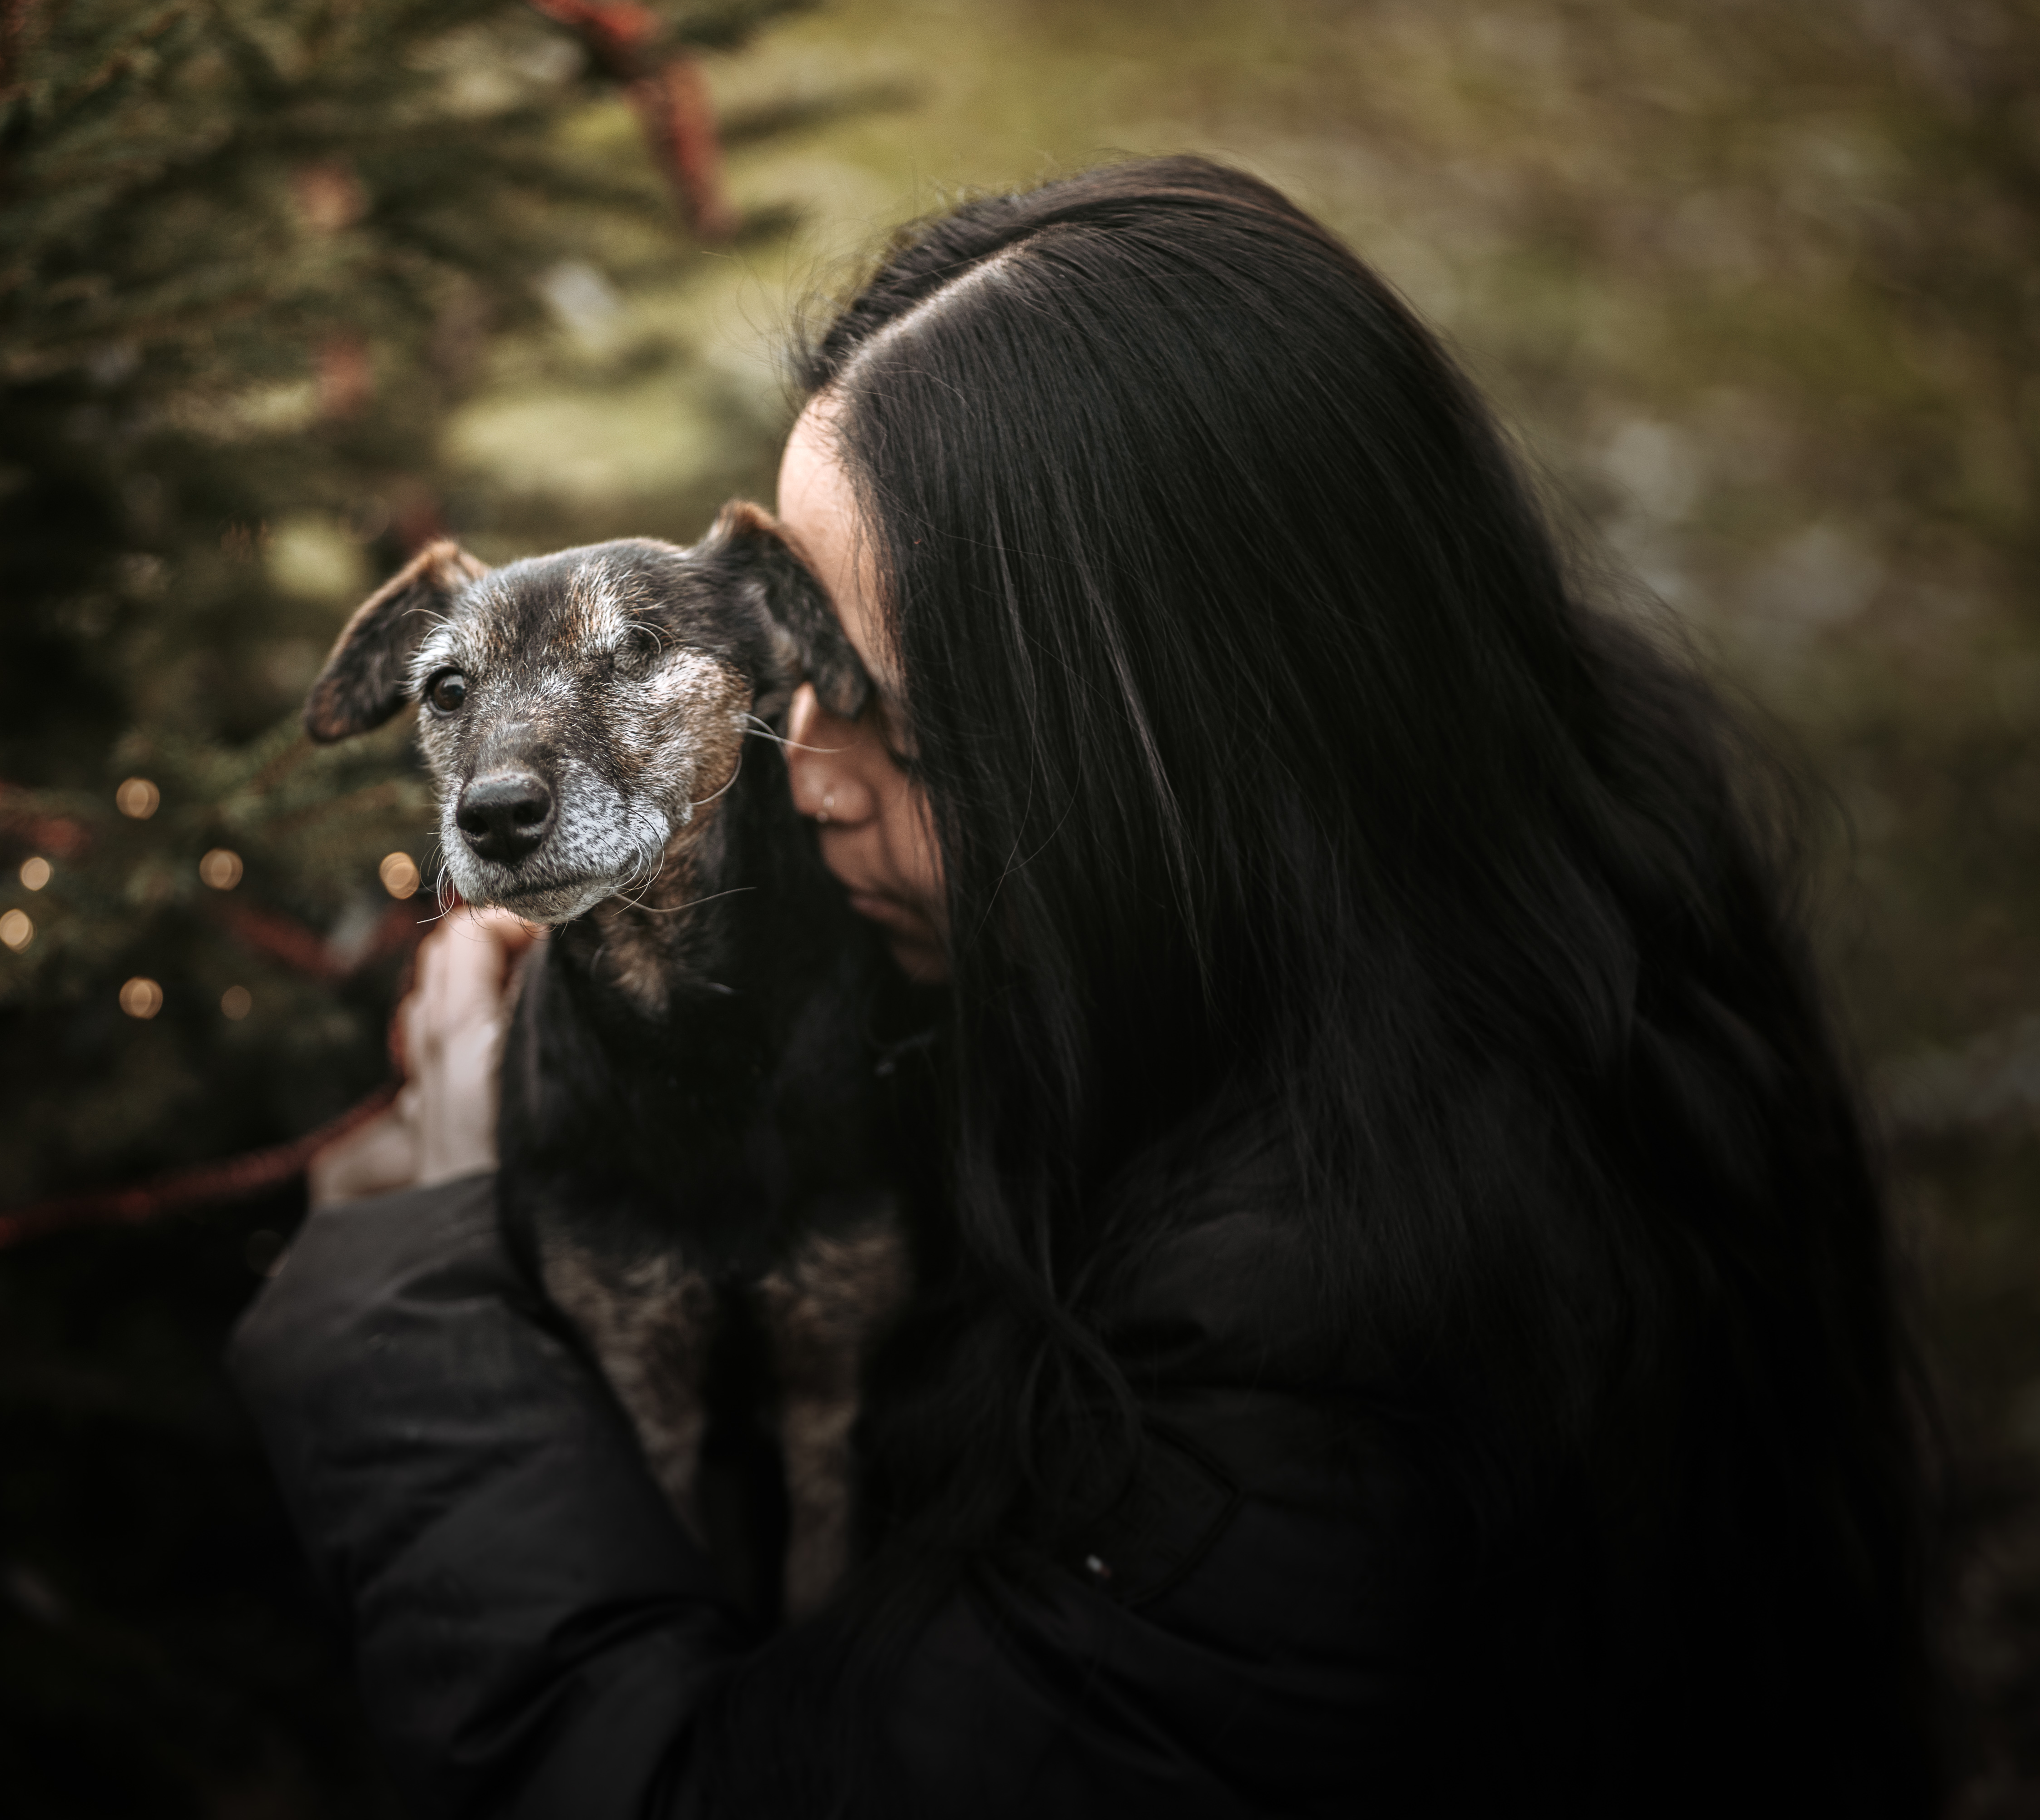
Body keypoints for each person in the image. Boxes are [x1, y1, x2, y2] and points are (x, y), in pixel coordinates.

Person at [232, 156, 1937, 1817]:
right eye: (796, 669)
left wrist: (431, 1268)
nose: (800, 771)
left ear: (1179, 763)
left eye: (898, 720)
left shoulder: (1320, 1351)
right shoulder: (1496, 969)